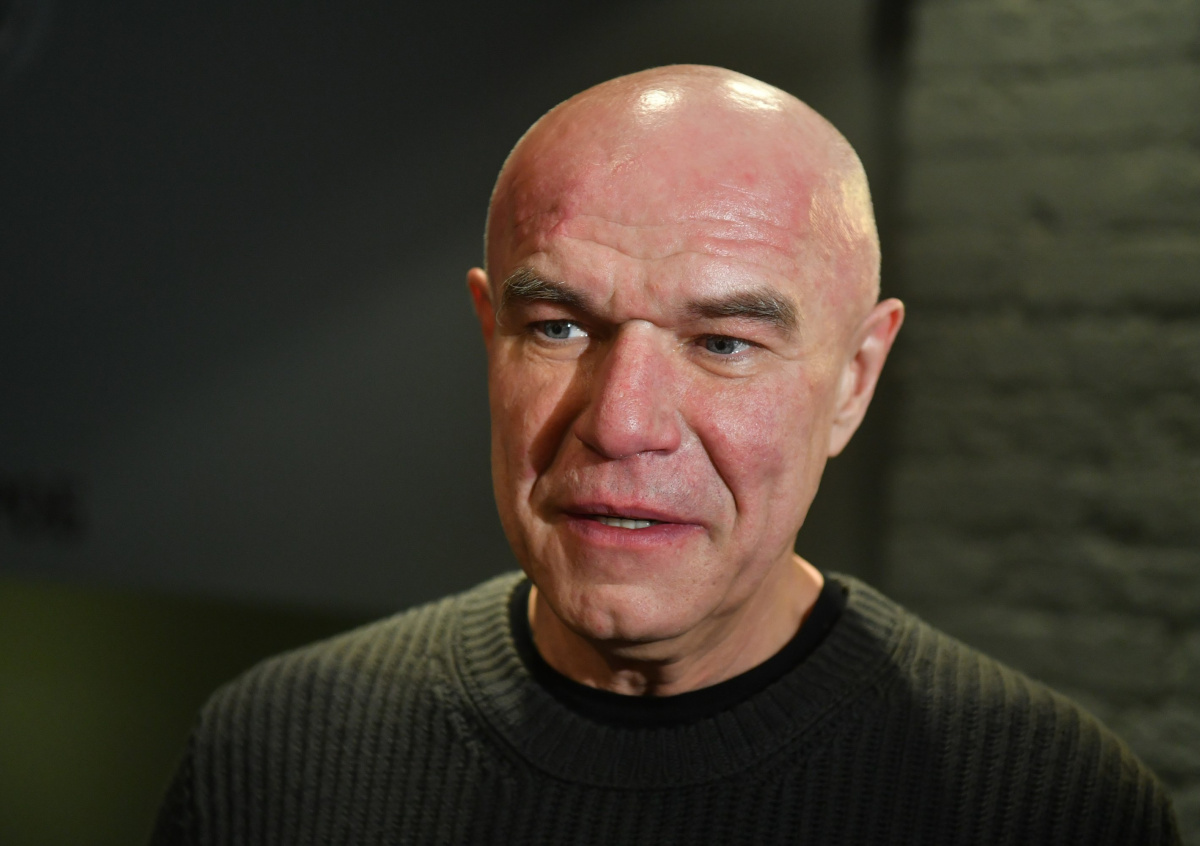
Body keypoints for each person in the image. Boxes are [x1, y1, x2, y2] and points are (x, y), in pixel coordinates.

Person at [151, 65, 1180, 845]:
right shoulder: (275, 754)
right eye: (559, 327)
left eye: (723, 343)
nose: (621, 422)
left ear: (854, 380)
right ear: (489, 339)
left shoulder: (1049, 807)